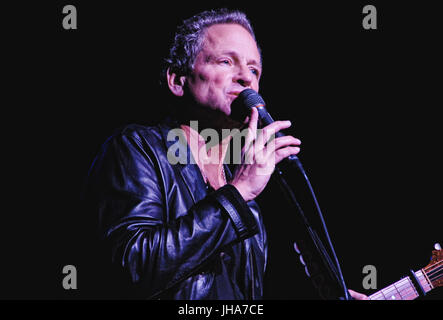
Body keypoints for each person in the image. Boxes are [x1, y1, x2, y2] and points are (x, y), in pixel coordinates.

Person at [84, 8, 367, 300]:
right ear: (178, 80)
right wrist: (237, 193)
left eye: (254, 69)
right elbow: (134, 265)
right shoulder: (138, 148)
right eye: (226, 61)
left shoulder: (249, 196)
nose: (246, 77)